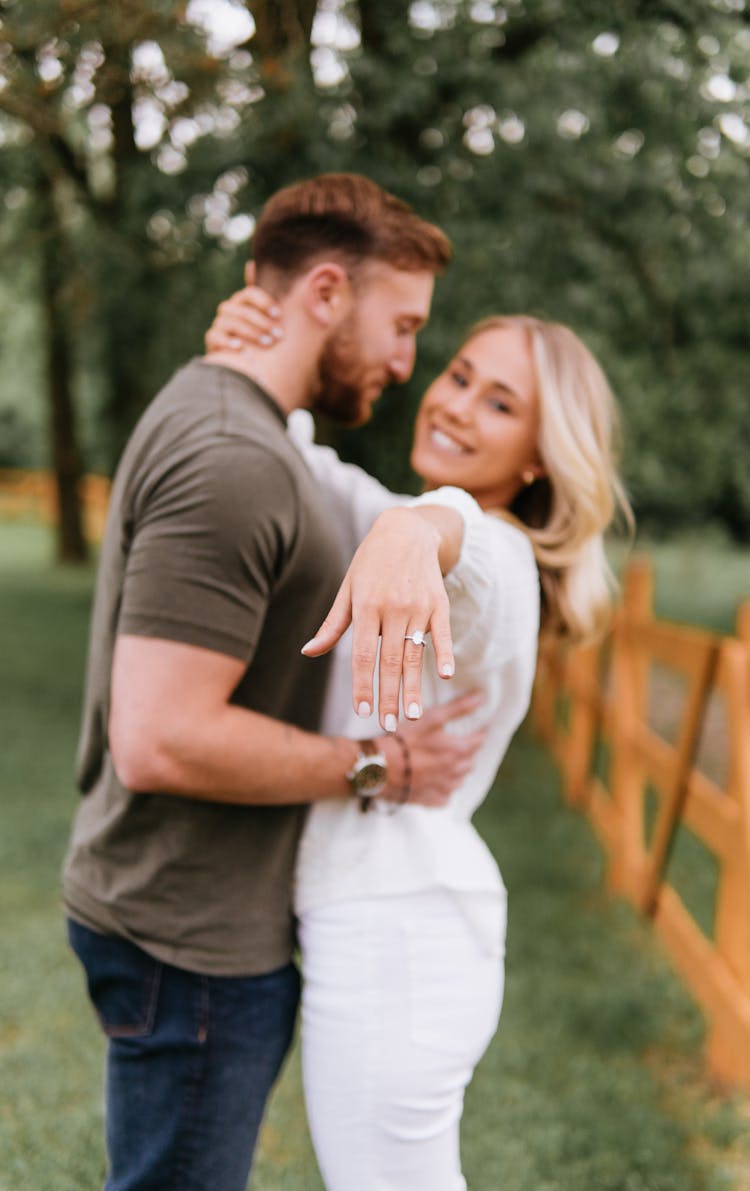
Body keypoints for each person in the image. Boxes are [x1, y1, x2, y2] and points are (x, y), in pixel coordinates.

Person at [62, 173, 488, 1191]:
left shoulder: (242, 421)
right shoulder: (232, 457)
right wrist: (379, 763)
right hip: (189, 935)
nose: (407, 359)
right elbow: (159, 736)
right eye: (402, 323)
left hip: (187, 917)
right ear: (328, 294)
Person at [206, 292, 634, 1190]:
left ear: (539, 461)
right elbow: (309, 463)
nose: (455, 403)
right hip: (384, 921)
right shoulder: (394, 514)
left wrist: (419, 525)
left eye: (501, 404)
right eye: (461, 375)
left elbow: (465, 544)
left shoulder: (500, 562)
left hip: (399, 933)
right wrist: (250, 347)